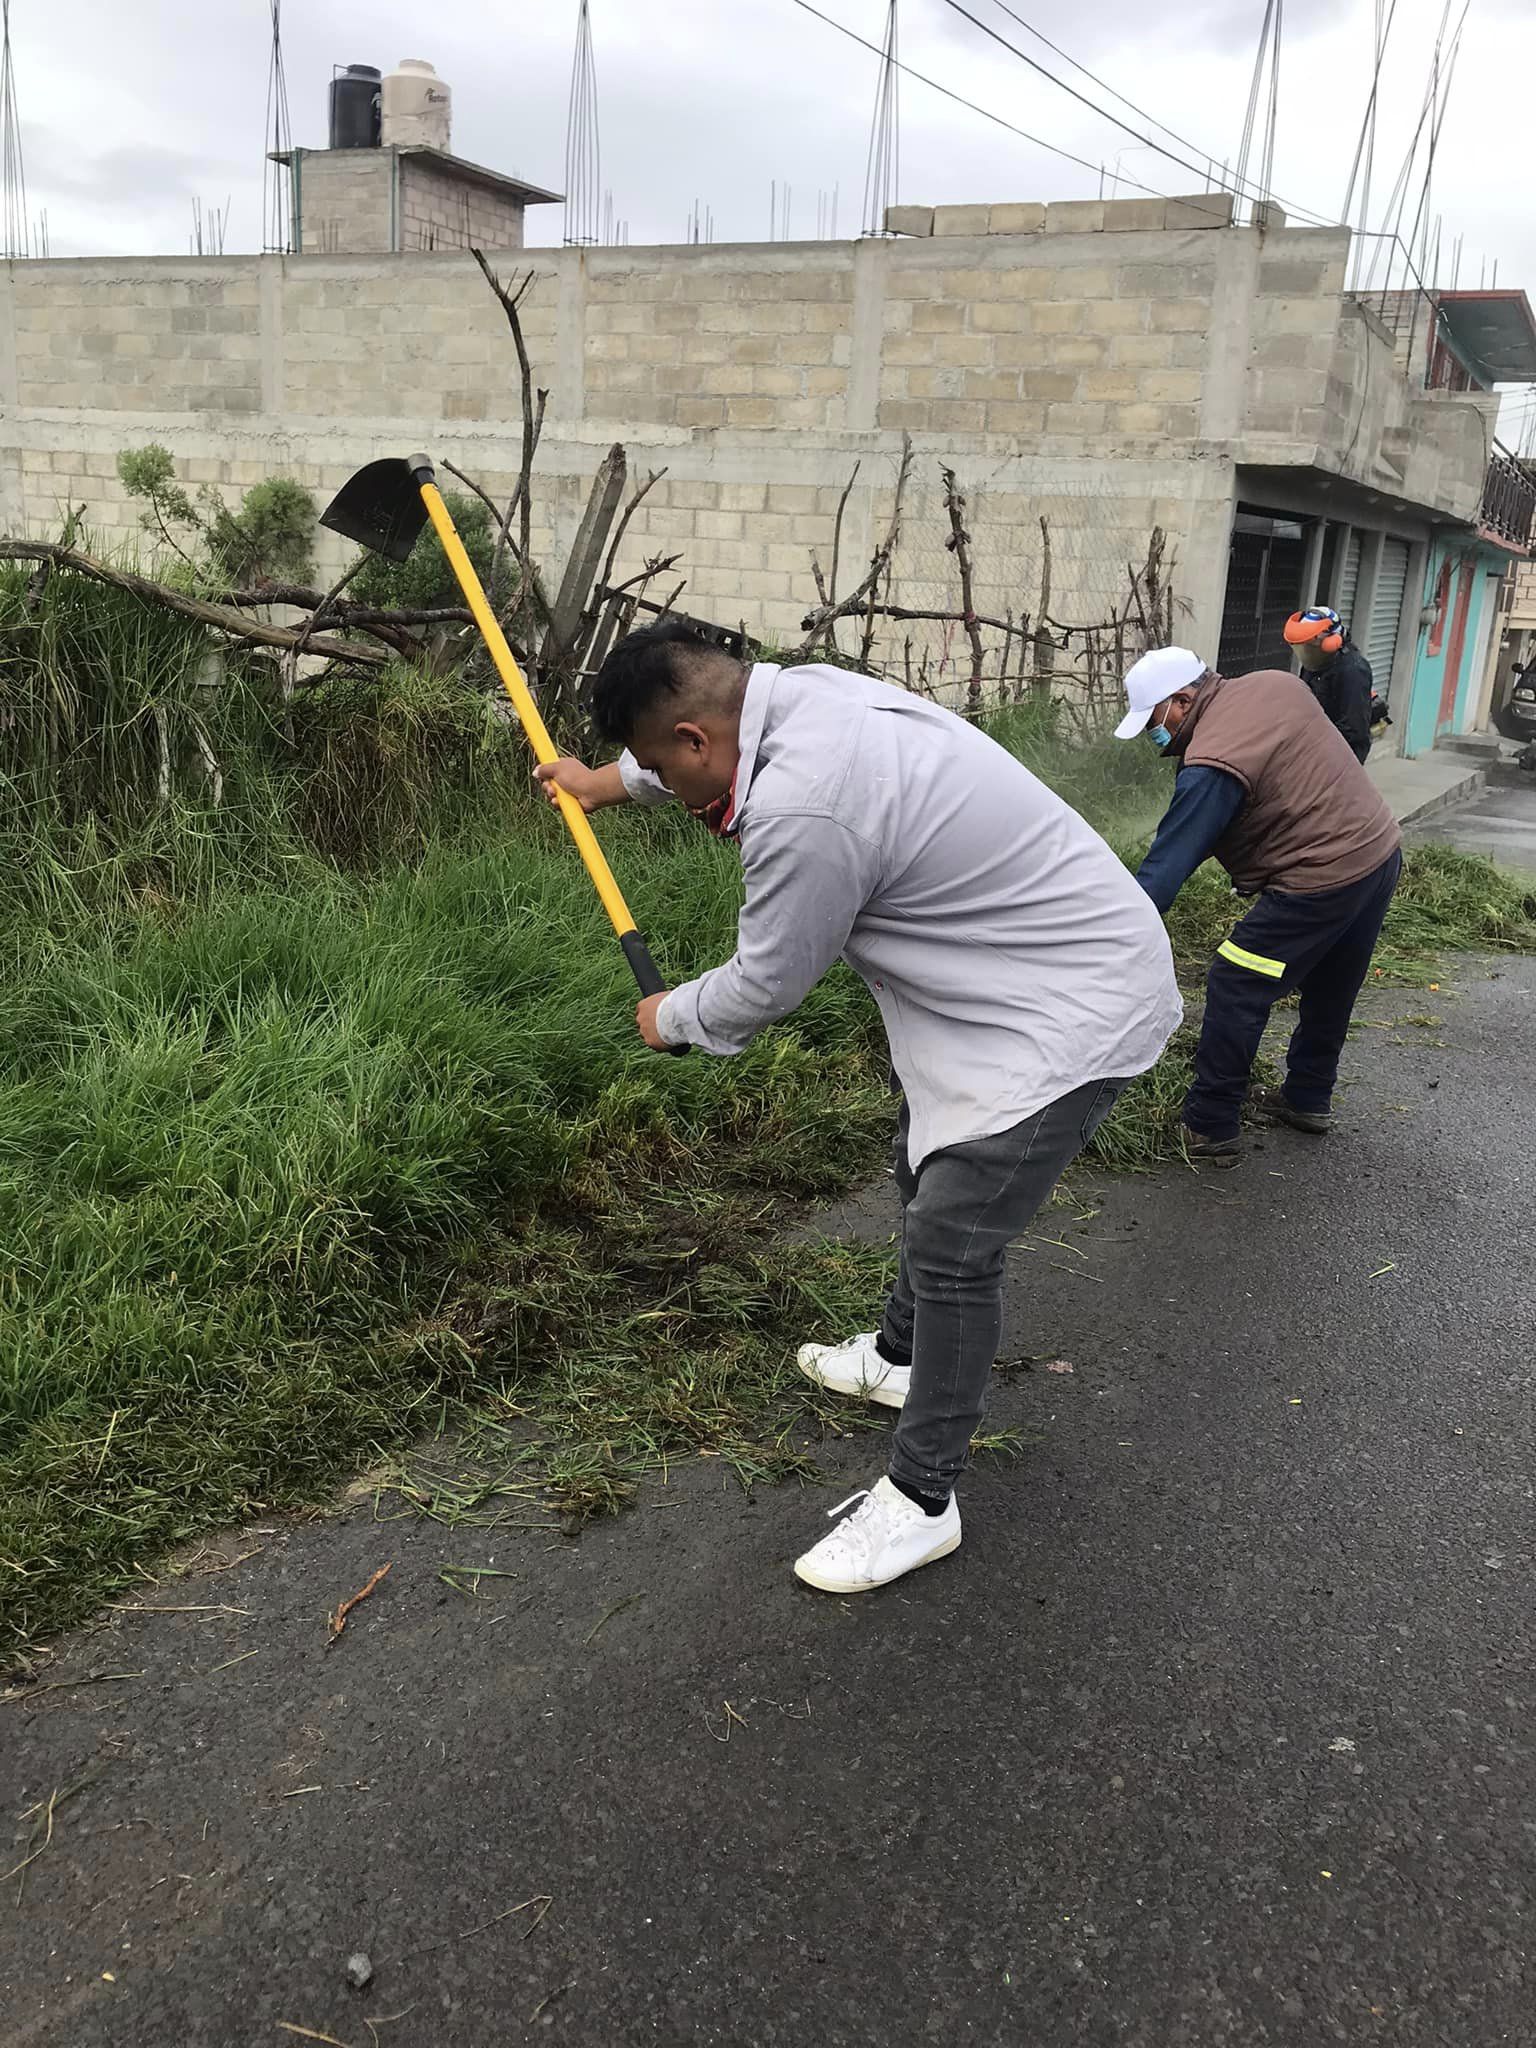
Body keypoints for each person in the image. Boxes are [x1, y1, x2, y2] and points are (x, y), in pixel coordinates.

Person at [539, 622, 1182, 1596]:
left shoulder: (805, 808)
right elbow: (692, 757)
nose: (661, 780)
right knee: (919, 1154)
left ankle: (924, 1501)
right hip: (1005, 978)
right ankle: (898, 1355)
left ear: (697, 737)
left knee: (956, 1235)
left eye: (660, 765)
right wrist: (606, 781)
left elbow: (765, 984)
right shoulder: (793, 695)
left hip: (1073, 1006)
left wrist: (671, 1016)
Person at [1115, 645, 1402, 1166]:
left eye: (1154, 721)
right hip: (1377, 853)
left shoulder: (1213, 761)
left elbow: (1166, 869)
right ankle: (1308, 1097)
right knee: (1332, 981)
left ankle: (1210, 1123)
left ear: (1182, 700)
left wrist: (1107, 934)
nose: (1152, 738)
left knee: (1235, 979)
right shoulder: (1272, 683)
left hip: (1320, 877)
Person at [1283, 607, 1376, 762]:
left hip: (1339, 757)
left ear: (1331, 642)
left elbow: (1353, 729)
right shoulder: (1314, 664)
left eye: (1310, 647)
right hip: (1314, 749)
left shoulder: (1353, 670)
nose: (1305, 655)